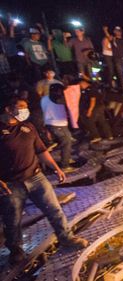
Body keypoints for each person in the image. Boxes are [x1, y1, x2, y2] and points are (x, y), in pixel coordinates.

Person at [0, 96, 88, 264]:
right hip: (11, 184)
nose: (24, 111)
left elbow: (41, 150)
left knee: (54, 209)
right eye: (21, 107)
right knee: (13, 220)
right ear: (8, 109)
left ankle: (66, 238)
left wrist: (56, 167)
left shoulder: (28, 126)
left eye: (26, 107)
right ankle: (16, 250)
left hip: (36, 178)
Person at [41, 84, 75, 172]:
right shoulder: (56, 98)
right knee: (66, 142)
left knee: (64, 142)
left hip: (50, 123)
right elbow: (66, 102)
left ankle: (65, 158)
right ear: (57, 91)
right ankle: (65, 165)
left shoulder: (44, 98)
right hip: (58, 124)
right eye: (61, 90)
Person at [78, 79, 113, 143]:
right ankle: (109, 135)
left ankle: (96, 136)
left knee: (89, 122)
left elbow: (93, 100)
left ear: (83, 83)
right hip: (100, 106)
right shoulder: (93, 87)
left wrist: (90, 110)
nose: (80, 87)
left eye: (80, 85)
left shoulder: (90, 89)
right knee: (102, 121)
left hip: (95, 108)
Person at [103, 26, 123, 92]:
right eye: (116, 31)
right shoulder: (113, 39)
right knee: (120, 74)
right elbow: (108, 36)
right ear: (114, 32)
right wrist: (105, 30)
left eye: (119, 31)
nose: (118, 32)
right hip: (117, 59)